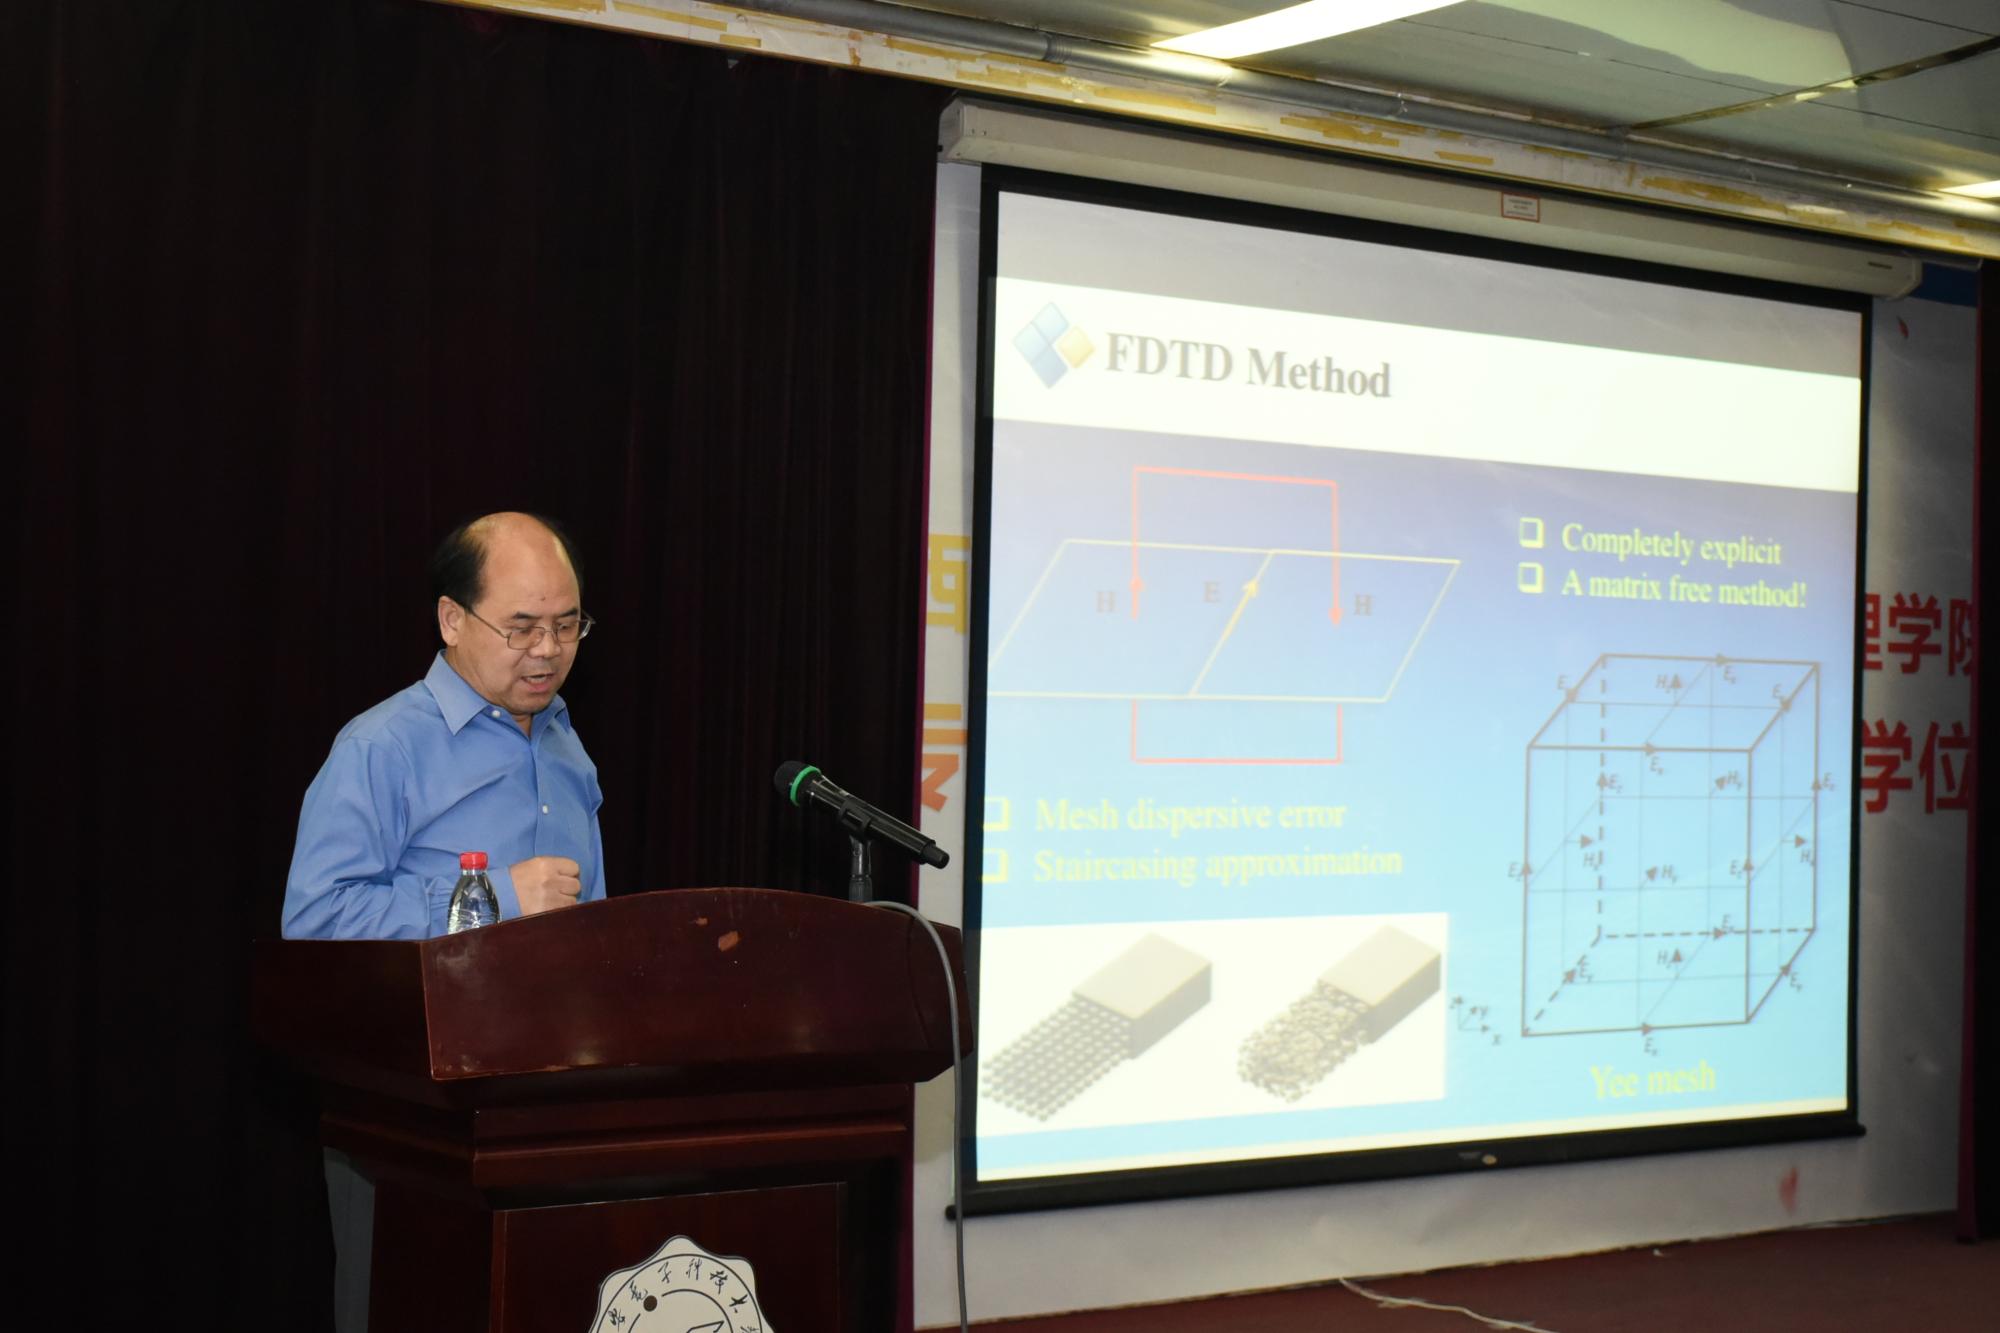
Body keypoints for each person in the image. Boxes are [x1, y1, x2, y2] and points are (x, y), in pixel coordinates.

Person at [284, 511, 607, 939]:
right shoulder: (381, 747)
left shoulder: (563, 742)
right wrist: (495, 897)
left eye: (566, 626)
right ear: (452, 621)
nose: (548, 648)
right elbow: (317, 920)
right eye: (521, 628)